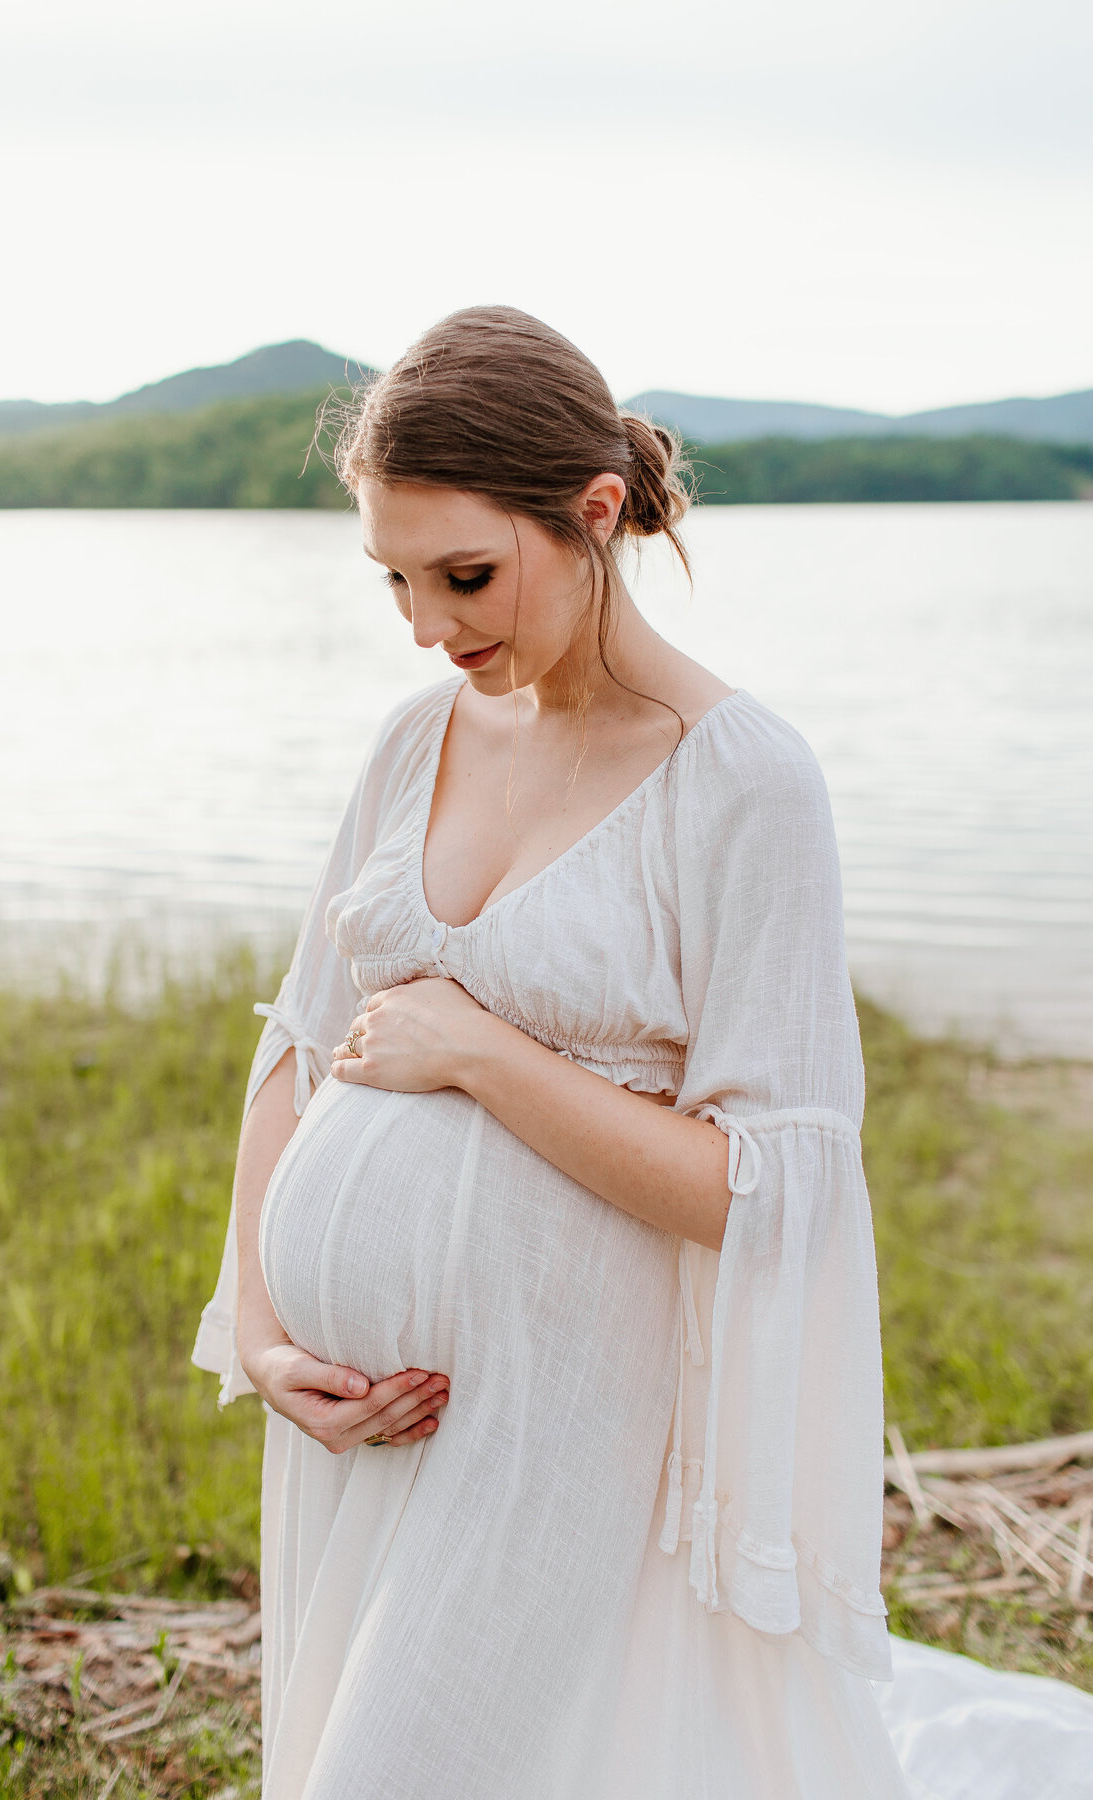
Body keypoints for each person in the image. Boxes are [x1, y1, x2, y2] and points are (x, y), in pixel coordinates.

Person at [193, 305, 911, 1798]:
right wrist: (266, 1338)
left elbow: (765, 1186)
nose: (429, 626)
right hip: (361, 1428)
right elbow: (299, 1046)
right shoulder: (415, 738)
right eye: (393, 579)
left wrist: (482, 1054)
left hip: (564, 1430)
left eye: (466, 574)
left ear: (595, 517)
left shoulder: (743, 781)